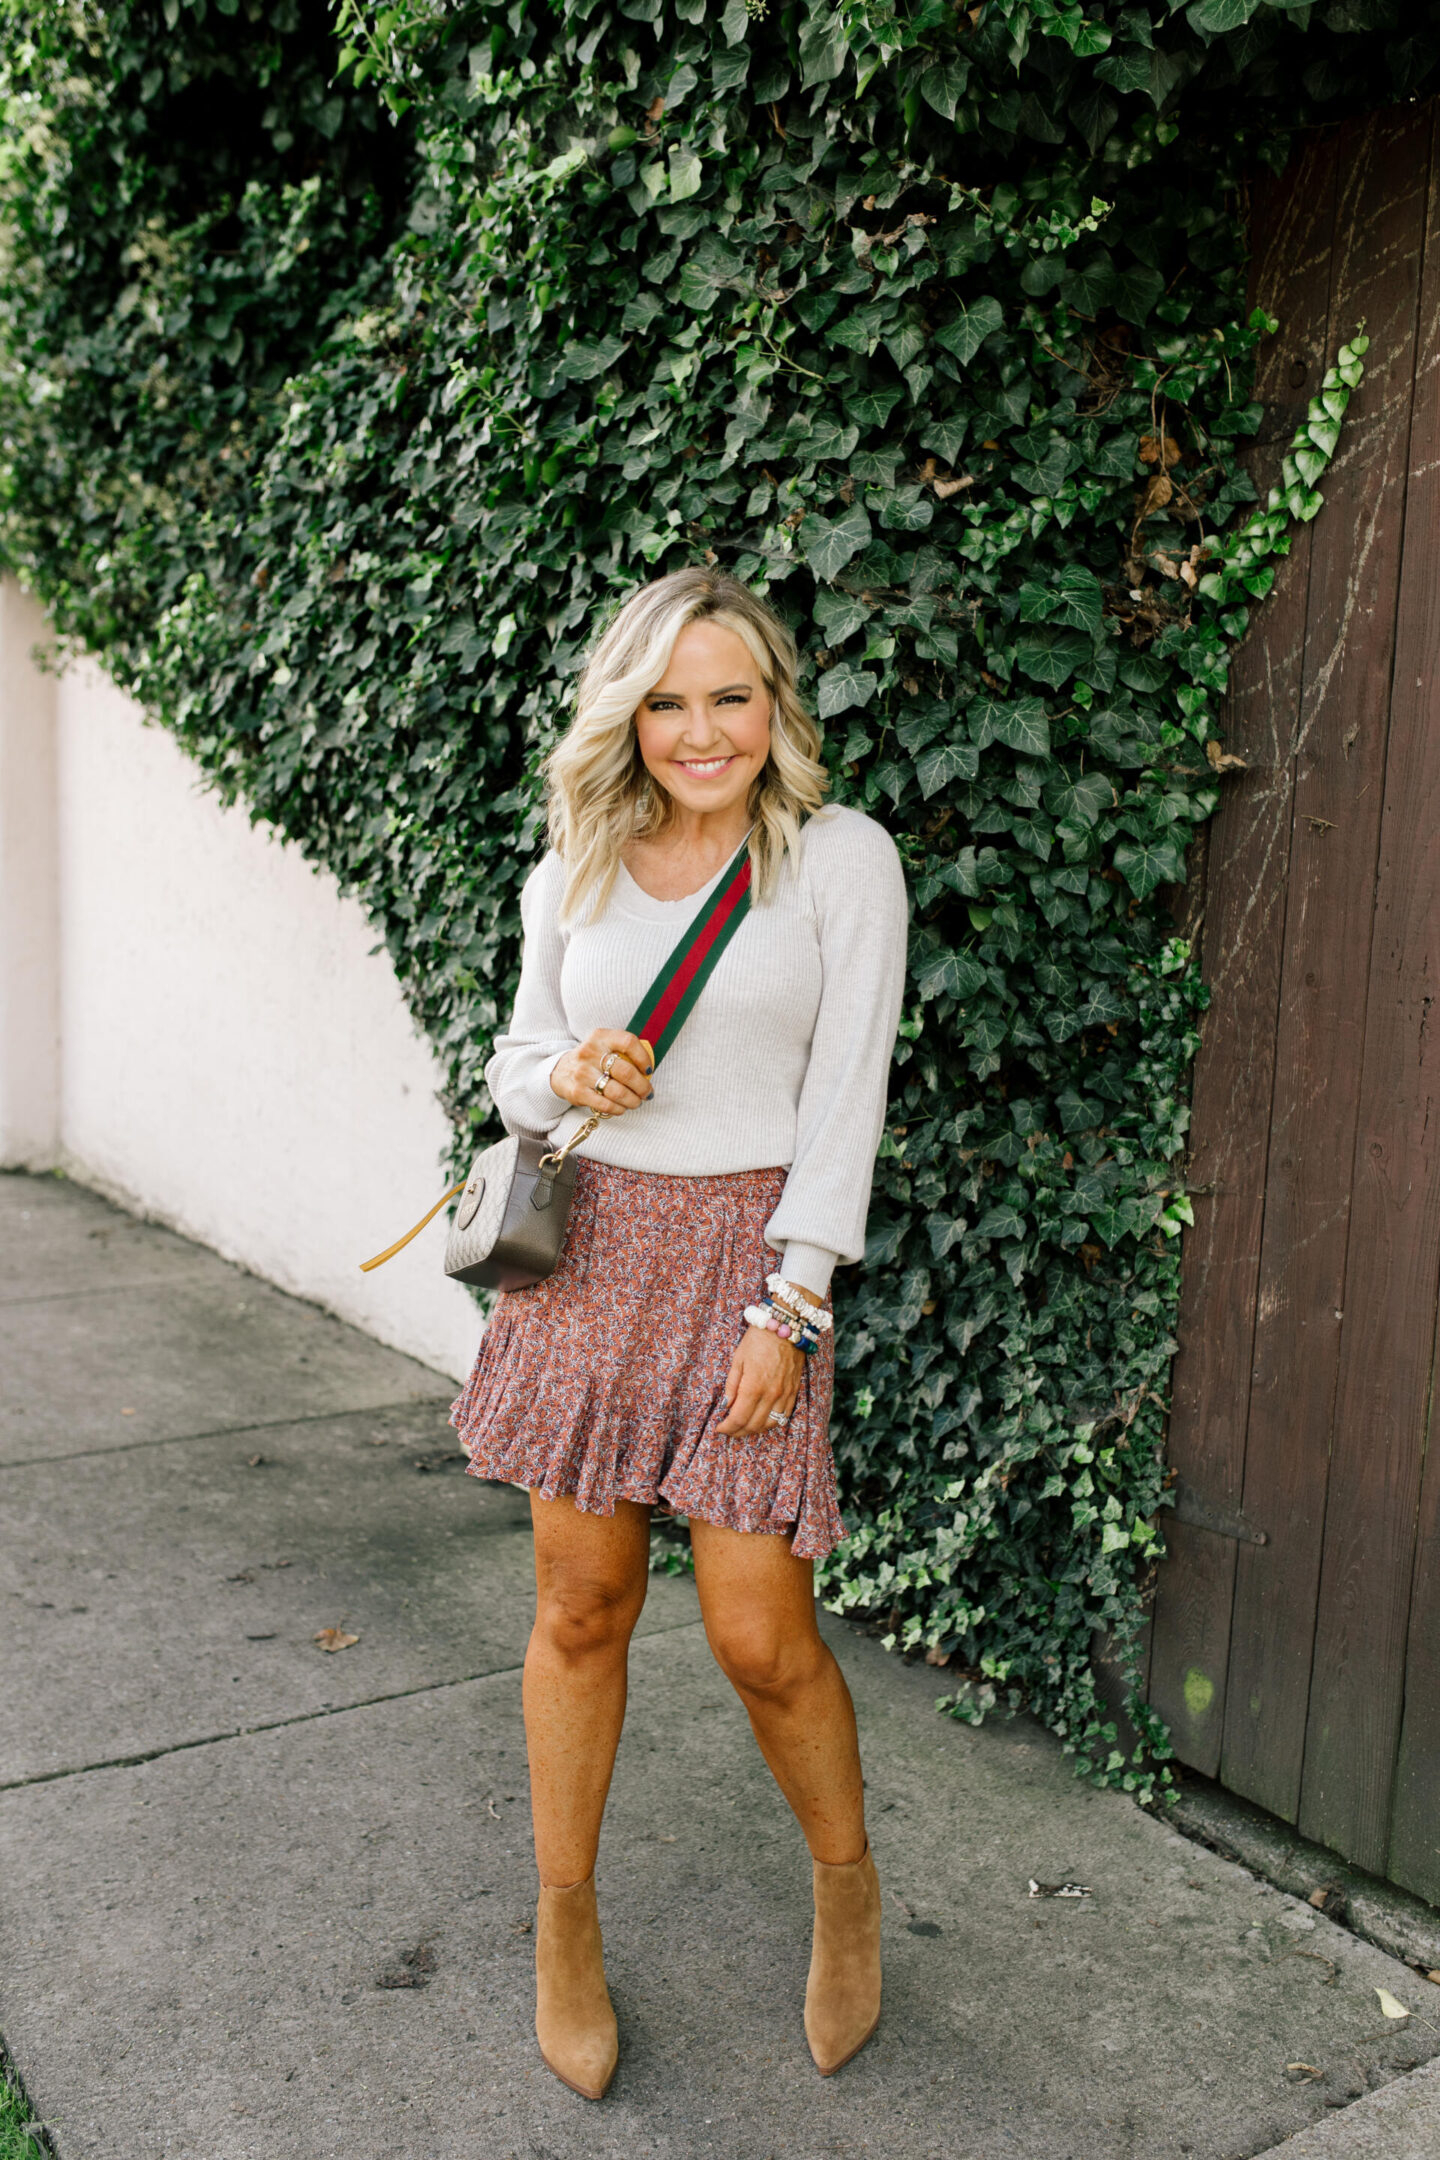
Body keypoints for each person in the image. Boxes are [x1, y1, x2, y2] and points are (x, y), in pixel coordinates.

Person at [450, 565, 908, 2098]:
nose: (701, 731)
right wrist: (563, 1075)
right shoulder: (576, 861)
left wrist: (793, 1302)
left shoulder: (840, 860)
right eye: (666, 702)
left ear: (776, 705)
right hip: (587, 1260)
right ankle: (564, 1924)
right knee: (581, 1609)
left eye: (730, 697)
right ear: (626, 715)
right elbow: (516, 1062)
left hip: (744, 1269)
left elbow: (846, 1099)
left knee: (760, 1637)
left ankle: (847, 1889)